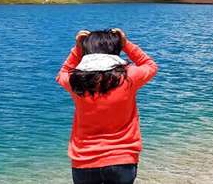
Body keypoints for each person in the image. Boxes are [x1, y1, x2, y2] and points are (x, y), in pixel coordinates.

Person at [55, 28, 158, 184]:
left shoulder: (76, 82)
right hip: (123, 158)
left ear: (87, 52)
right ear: (116, 50)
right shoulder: (129, 77)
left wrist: (77, 49)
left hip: (84, 159)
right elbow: (150, 65)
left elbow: (62, 73)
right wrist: (126, 44)